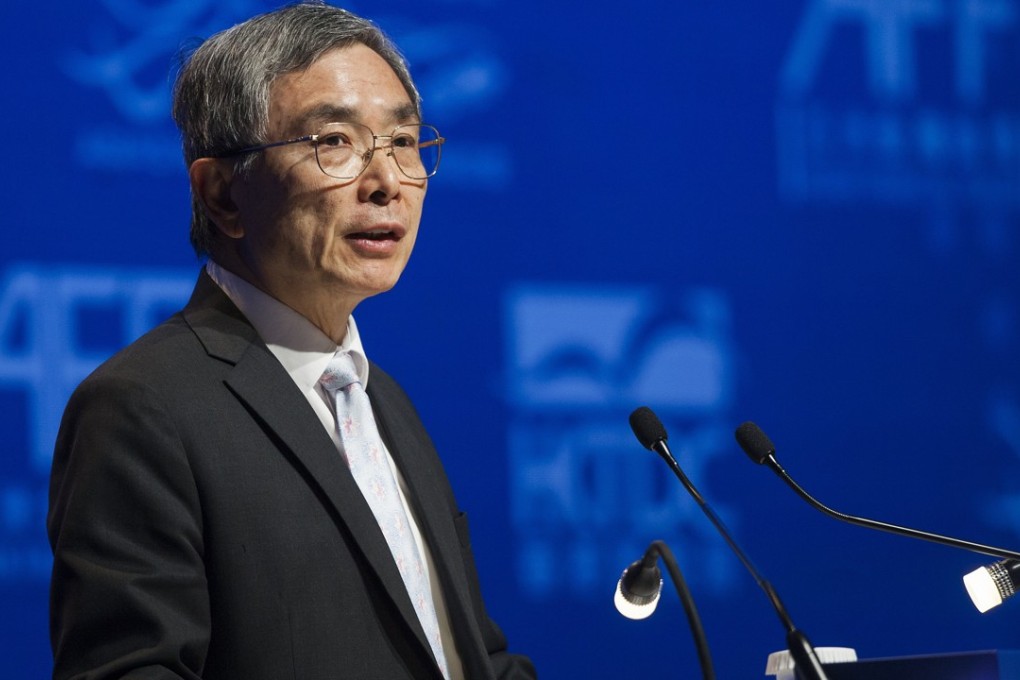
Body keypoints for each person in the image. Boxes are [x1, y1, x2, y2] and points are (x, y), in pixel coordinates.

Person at [46, 3, 536, 679]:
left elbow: (467, 658)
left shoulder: (384, 402)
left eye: (403, 141)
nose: (387, 182)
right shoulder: (144, 408)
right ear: (222, 194)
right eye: (334, 141)